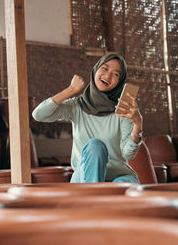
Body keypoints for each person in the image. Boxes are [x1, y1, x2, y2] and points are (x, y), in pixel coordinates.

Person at [32, 53, 143, 183]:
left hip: (117, 175)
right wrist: (70, 90)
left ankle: (95, 197)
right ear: (96, 70)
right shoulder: (77, 105)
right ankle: (94, 193)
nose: (108, 76)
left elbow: (128, 154)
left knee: (129, 183)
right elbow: (39, 115)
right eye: (105, 68)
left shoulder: (124, 110)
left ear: (120, 81)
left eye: (116, 74)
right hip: (84, 176)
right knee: (95, 145)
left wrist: (137, 125)